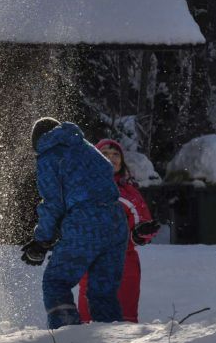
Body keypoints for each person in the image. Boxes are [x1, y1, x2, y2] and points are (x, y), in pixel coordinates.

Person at [20, 118, 128, 329]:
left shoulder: (49, 155)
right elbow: (106, 174)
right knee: (103, 292)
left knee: (56, 282)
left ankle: (66, 340)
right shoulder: (85, 147)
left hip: (84, 223)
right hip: (116, 222)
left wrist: (41, 241)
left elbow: (53, 203)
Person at [78, 139, 159, 323]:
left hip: (125, 264)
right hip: (91, 263)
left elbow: (142, 227)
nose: (111, 158)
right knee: (88, 322)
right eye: (105, 154)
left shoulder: (130, 193)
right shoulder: (82, 190)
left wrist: (141, 233)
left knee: (123, 323)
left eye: (116, 155)